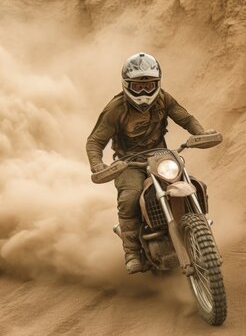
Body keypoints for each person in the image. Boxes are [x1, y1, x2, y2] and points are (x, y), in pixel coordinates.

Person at [86, 52, 212, 273]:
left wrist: (200, 133)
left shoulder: (164, 98)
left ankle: (199, 225)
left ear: (158, 82)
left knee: (191, 181)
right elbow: (95, 141)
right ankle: (132, 251)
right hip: (128, 163)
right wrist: (98, 165)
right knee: (130, 197)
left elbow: (186, 118)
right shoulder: (116, 109)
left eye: (149, 85)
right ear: (127, 85)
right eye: (137, 87)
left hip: (160, 156)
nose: (144, 92)